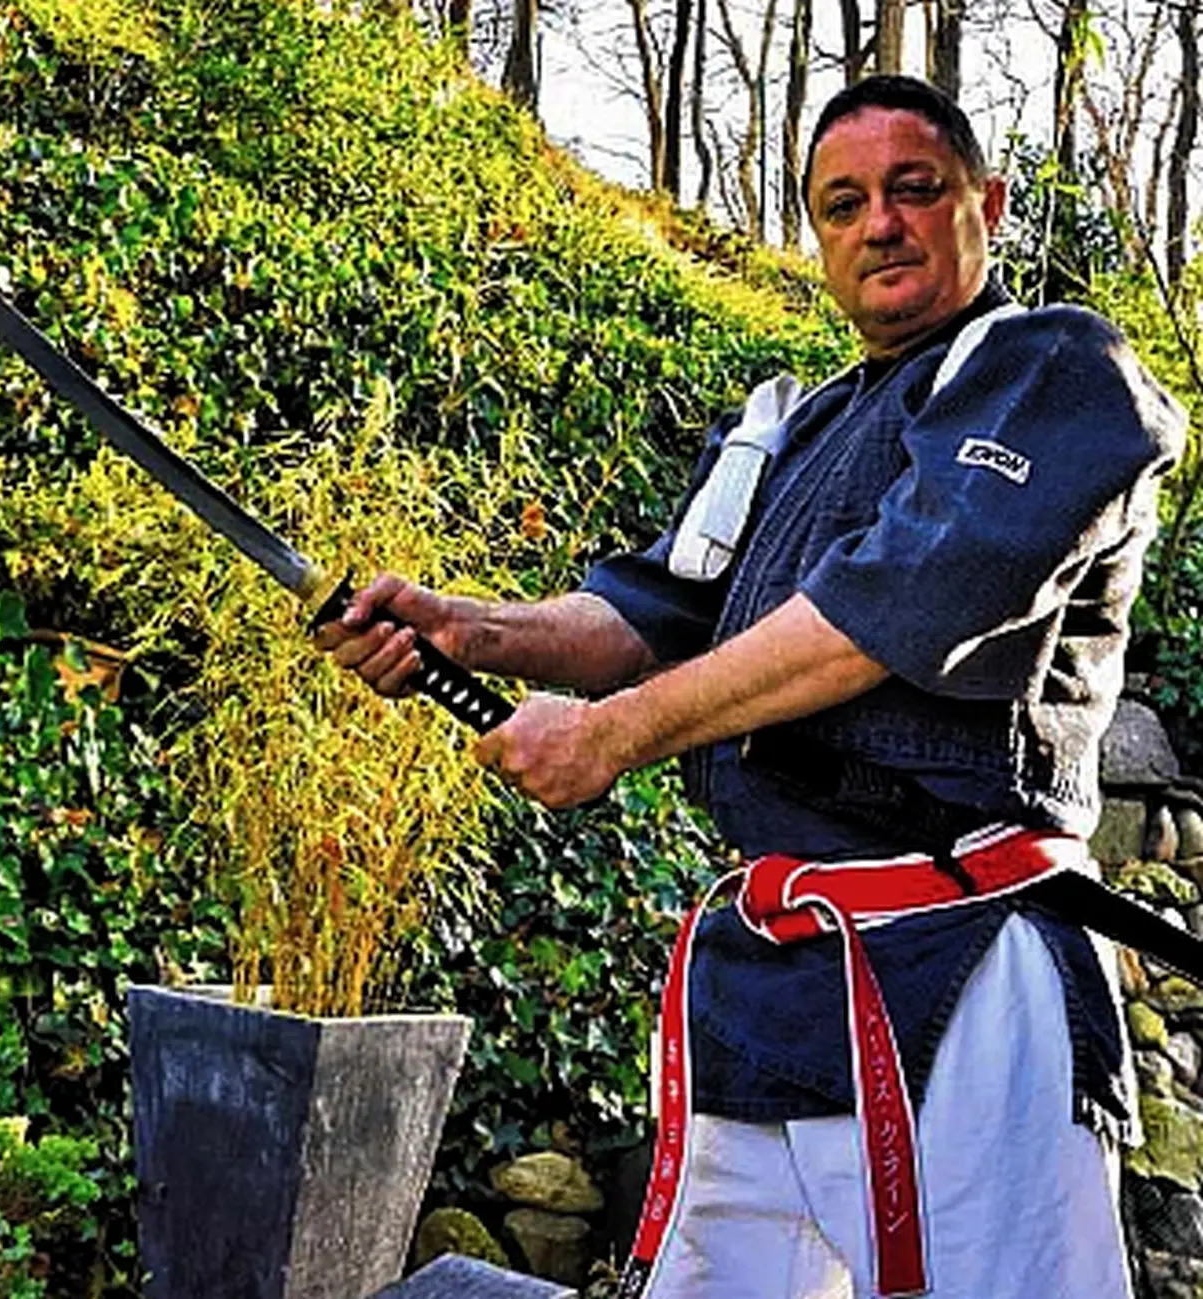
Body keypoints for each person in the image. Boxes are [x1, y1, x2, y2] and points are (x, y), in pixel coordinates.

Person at [314, 76, 1185, 1299]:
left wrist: (613, 737)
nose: (879, 222)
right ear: (818, 243)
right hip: (772, 985)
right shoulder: (796, 426)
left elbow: (899, 606)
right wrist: (466, 630)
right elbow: (656, 614)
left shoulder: (1053, 370)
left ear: (985, 204)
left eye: (914, 190)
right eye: (843, 204)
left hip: (964, 973)